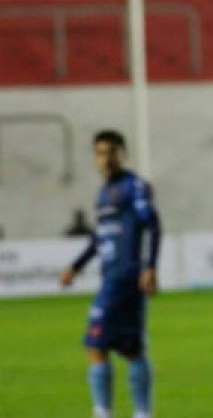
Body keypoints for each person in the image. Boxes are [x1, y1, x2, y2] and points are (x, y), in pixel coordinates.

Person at [60, 130, 161, 418]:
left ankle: (103, 412)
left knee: (94, 344)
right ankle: (142, 413)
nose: (105, 158)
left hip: (124, 276)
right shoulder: (104, 192)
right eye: (100, 153)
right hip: (113, 276)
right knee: (131, 349)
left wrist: (149, 267)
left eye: (111, 152)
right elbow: (99, 239)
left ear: (122, 153)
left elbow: (151, 224)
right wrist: (76, 267)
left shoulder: (133, 187)